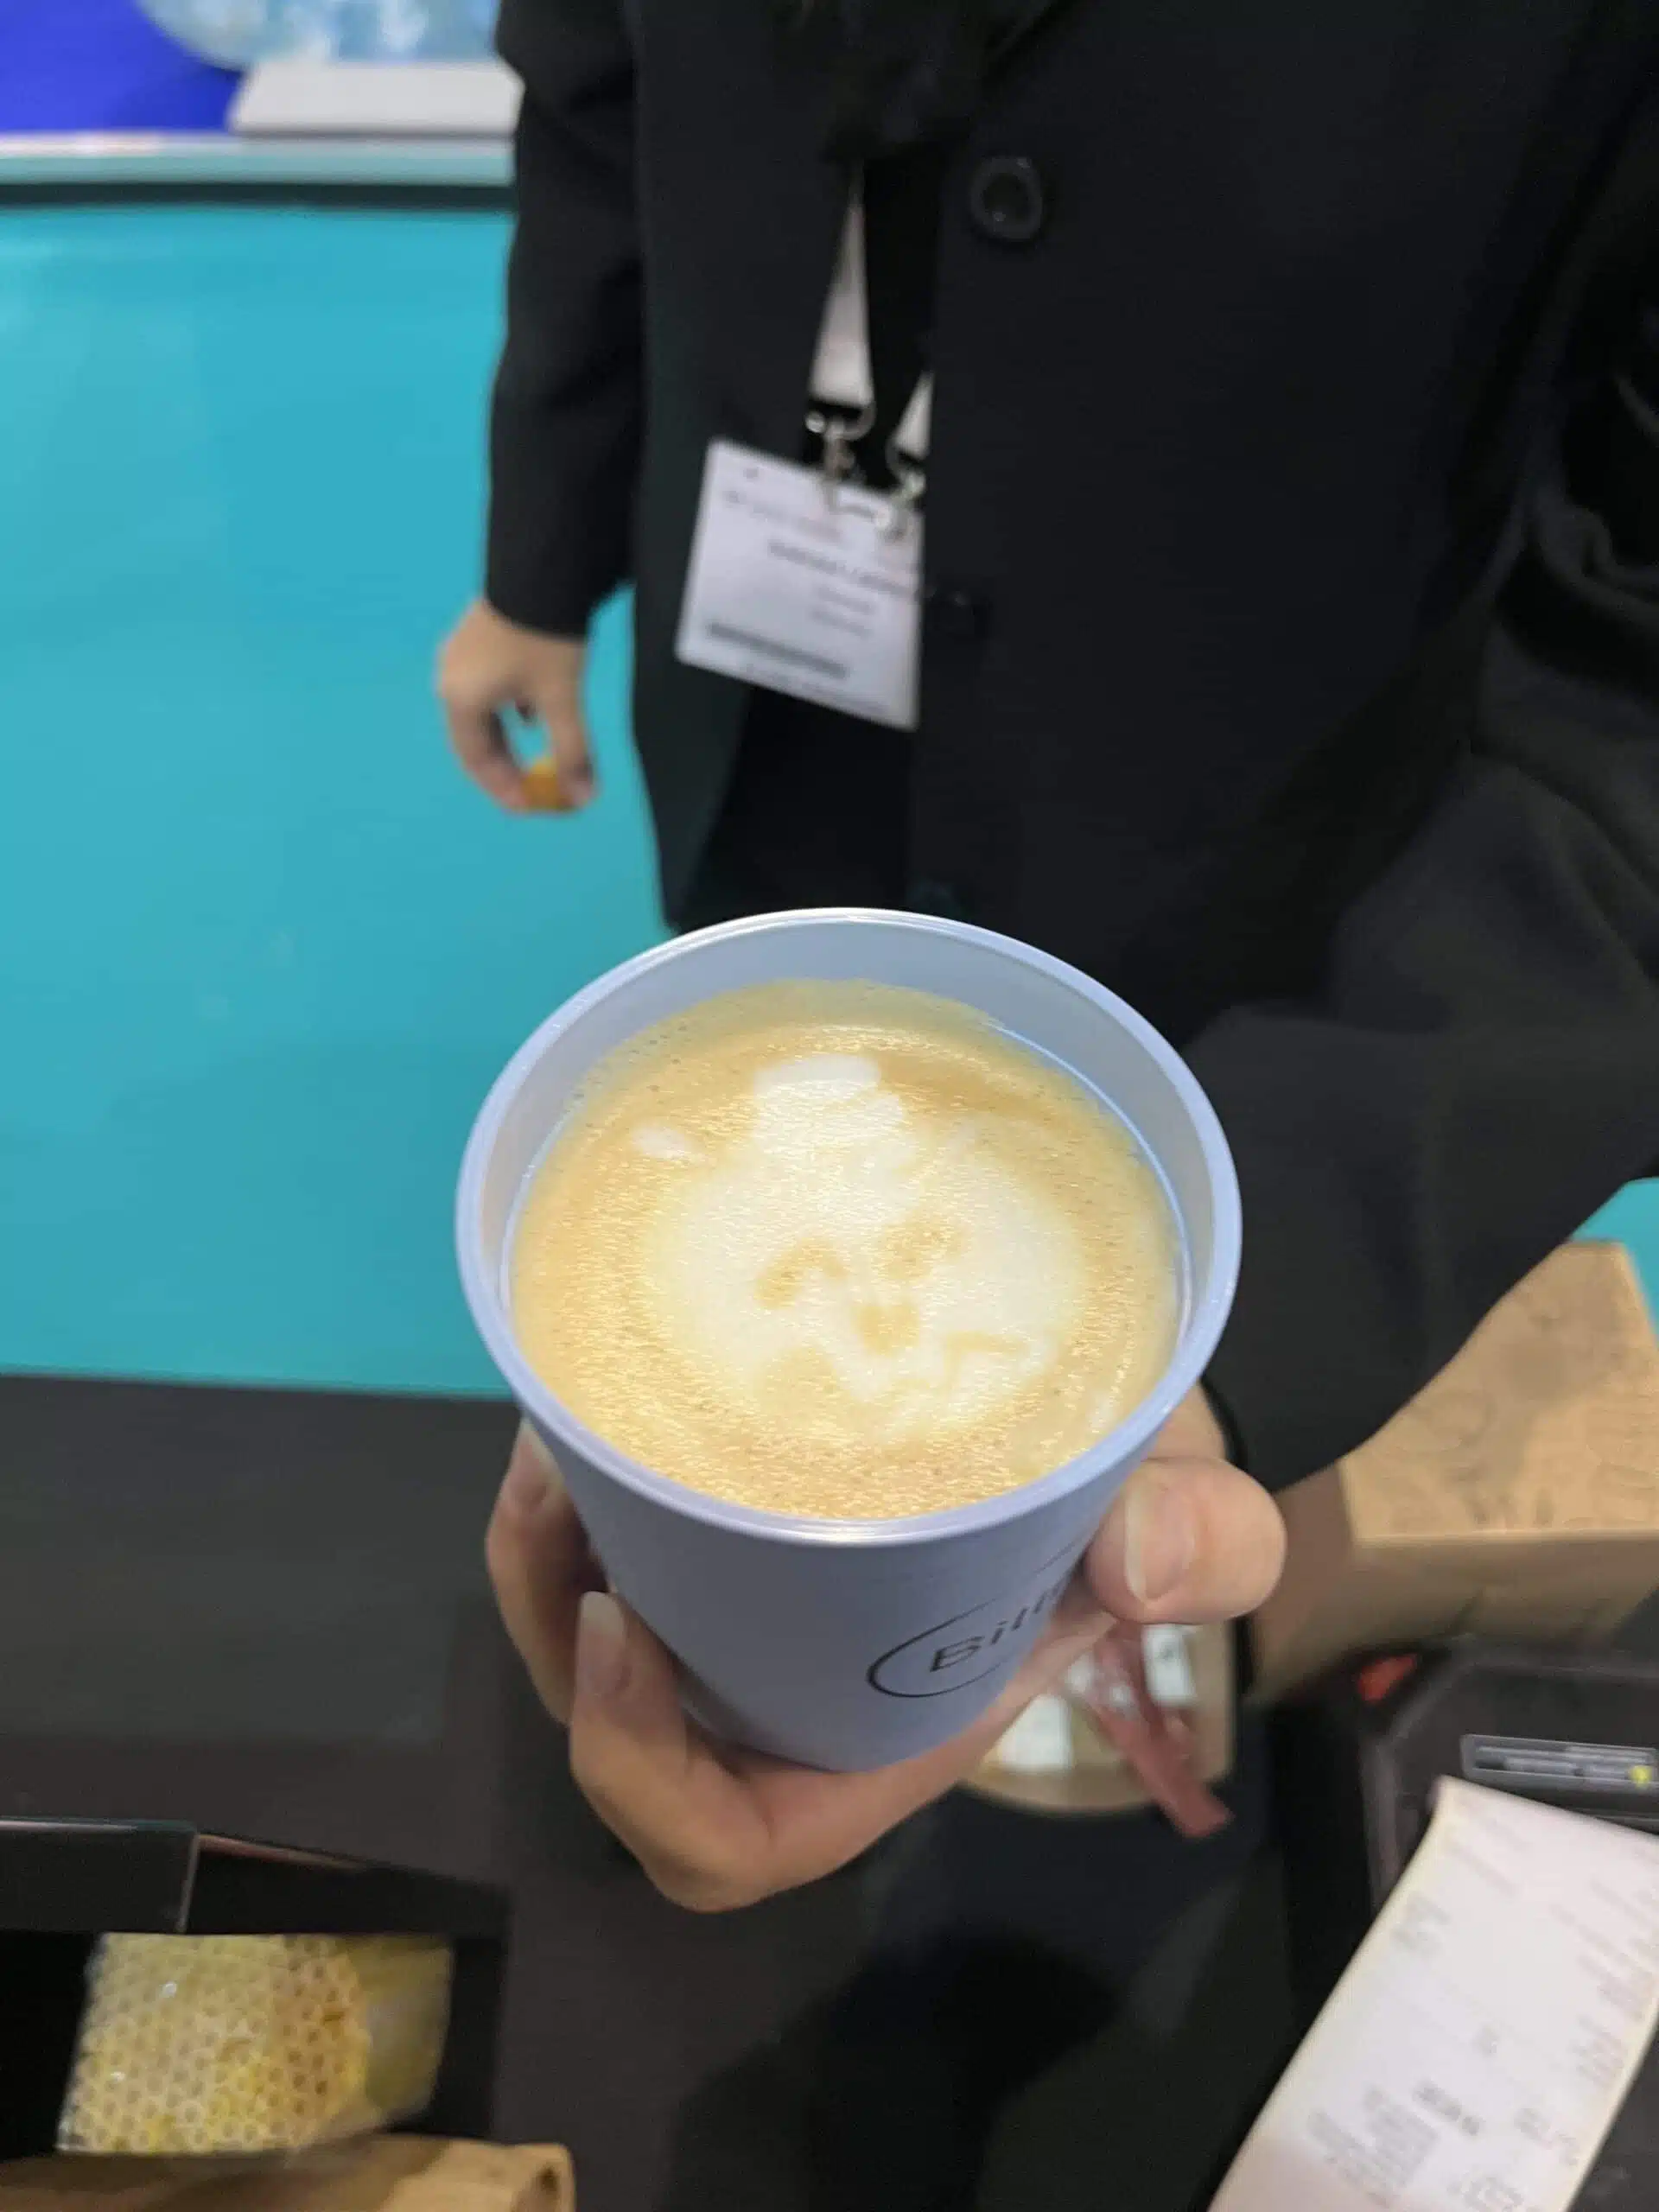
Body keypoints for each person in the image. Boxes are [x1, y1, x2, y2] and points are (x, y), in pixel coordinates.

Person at [439, 1, 1659, 1910]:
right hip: (778, 659)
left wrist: (1248, 1315)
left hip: (1262, 762)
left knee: (1118, 1200)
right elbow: (597, 84)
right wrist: (540, 544)